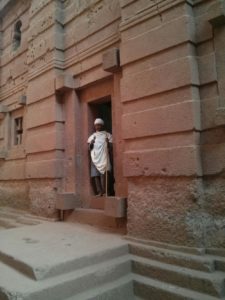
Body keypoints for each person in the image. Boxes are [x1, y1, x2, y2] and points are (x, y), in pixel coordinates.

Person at [87, 118, 113, 196]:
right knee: (95, 175)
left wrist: (108, 142)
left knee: (104, 175)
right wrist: (91, 143)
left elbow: (110, 147)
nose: (97, 127)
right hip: (95, 158)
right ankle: (99, 191)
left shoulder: (107, 135)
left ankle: (105, 191)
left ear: (102, 125)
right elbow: (89, 148)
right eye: (96, 125)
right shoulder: (92, 136)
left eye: (99, 125)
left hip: (103, 157)